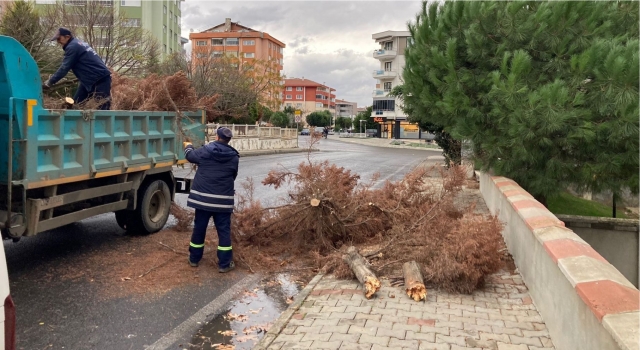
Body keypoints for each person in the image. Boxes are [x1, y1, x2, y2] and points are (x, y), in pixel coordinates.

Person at [183, 127, 240, 273]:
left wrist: (188, 145)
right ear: (228, 139)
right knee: (224, 231)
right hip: (222, 201)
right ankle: (224, 264)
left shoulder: (207, 150)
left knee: (199, 228)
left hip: (203, 200)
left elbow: (190, 156)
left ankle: (194, 259)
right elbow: (233, 175)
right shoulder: (234, 156)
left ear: (217, 137)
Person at [42, 27, 112, 110]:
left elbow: (64, 68)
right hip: (89, 79)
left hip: (99, 78)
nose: (58, 42)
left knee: (102, 106)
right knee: (76, 104)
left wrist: (50, 82)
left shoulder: (72, 47)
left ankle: (106, 123)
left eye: (59, 38)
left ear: (67, 37)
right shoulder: (78, 43)